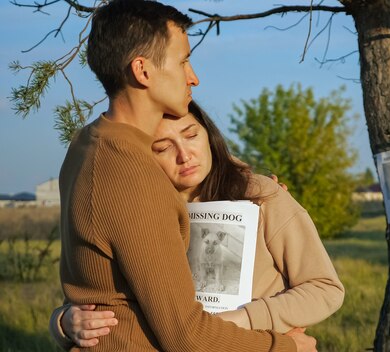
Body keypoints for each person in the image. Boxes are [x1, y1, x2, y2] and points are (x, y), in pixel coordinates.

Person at [54, 0, 315, 350]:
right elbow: (186, 336)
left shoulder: (88, 143)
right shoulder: (132, 176)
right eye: (183, 61)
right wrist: (286, 347)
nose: (193, 77)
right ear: (142, 71)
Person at [51, 100, 345, 347]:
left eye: (191, 135)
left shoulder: (260, 196)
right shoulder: (138, 211)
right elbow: (103, 292)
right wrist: (63, 322)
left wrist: (247, 319)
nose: (185, 155)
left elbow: (324, 288)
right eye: (163, 147)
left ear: (208, 133)